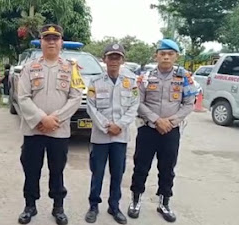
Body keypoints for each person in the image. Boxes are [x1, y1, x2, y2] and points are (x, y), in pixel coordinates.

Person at [17, 24, 84, 225]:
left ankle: (58, 207)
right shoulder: (30, 67)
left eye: (55, 39)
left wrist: (55, 118)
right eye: (47, 38)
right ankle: (30, 206)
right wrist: (41, 118)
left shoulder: (71, 68)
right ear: (41, 42)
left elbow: (76, 96)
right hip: (33, 130)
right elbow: (22, 97)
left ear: (61, 42)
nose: (52, 42)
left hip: (59, 130)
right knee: (31, 170)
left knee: (57, 170)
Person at [127, 39, 197, 223]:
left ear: (176, 56)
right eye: (162, 53)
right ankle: (135, 200)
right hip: (148, 129)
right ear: (156, 55)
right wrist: (156, 120)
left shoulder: (185, 77)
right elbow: (137, 102)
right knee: (141, 166)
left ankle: (164, 203)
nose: (166, 57)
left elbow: (189, 103)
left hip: (170, 131)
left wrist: (171, 122)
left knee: (167, 168)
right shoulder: (144, 77)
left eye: (170, 54)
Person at [84, 43, 139, 224]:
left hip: (120, 137)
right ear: (104, 59)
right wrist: (107, 126)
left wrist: (120, 125)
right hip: (101, 136)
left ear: (122, 60)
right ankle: (93, 205)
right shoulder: (95, 82)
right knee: (97, 172)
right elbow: (91, 107)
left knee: (117, 173)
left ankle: (114, 206)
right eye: (110, 57)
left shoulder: (131, 82)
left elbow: (134, 106)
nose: (114, 61)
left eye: (117, 57)